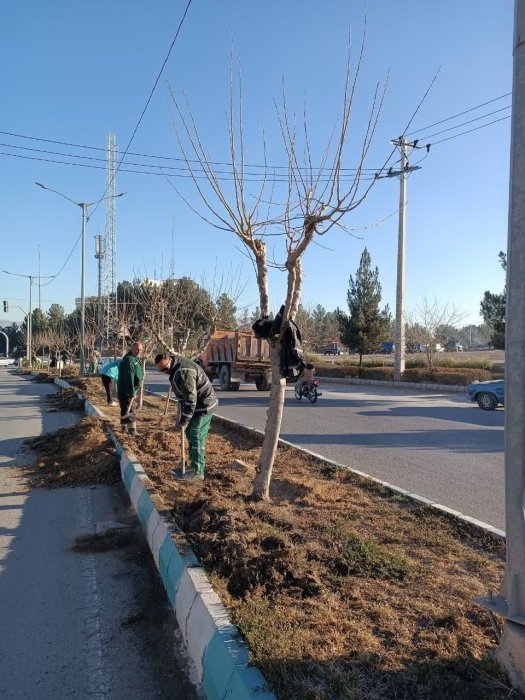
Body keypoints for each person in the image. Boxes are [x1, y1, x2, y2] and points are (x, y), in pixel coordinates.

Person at [155, 352, 218, 481]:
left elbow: (190, 400)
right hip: (197, 404)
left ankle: (198, 471)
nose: (165, 372)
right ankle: (192, 465)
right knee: (190, 432)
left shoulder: (184, 373)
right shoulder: (175, 366)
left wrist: (184, 419)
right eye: (161, 371)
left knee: (196, 434)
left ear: (170, 361)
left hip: (204, 405)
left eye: (165, 369)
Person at [117, 342, 143, 435]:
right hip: (126, 389)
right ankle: (132, 430)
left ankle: (125, 429)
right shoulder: (129, 360)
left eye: (140, 349)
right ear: (132, 348)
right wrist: (131, 392)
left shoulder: (134, 358)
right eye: (136, 349)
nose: (138, 351)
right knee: (130, 409)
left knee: (126, 408)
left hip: (130, 388)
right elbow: (129, 377)